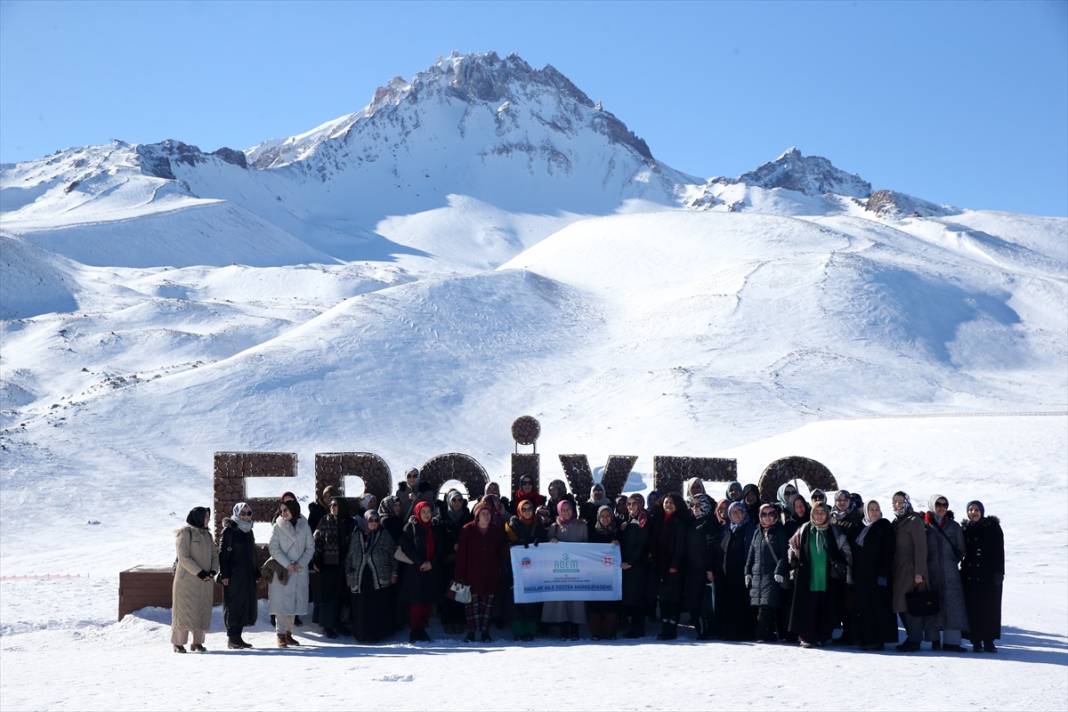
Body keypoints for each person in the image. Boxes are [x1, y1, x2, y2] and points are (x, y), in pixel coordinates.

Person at [787, 503, 849, 648]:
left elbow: (845, 548)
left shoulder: (833, 530)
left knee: (825, 605)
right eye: (816, 512)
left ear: (827, 514)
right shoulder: (805, 528)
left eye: (822, 512)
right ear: (812, 514)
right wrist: (794, 559)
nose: (819, 515)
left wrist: (843, 565)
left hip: (828, 576)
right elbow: (792, 545)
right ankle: (807, 637)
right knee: (808, 606)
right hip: (808, 576)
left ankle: (823, 635)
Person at [455, 501, 507, 642]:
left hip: (490, 574)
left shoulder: (495, 531)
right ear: (477, 515)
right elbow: (461, 555)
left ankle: (485, 632)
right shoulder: (467, 530)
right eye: (483, 513)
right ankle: (471, 632)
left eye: (488, 513)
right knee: (471, 605)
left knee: (486, 606)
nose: (486, 516)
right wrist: (460, 575)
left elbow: (501, 552)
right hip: (470, 574)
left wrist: (499, 569)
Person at [923, 494, 967, 652]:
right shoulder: (924, 525)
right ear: (931, 505)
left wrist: (950, 562)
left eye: (944, 504)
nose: (941, 507)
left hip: (950, 573)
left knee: (953, 606)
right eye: (938, 504)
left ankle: (952, 642)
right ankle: (933, 640)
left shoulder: (954, 526)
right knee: (932, 604)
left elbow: (961, 549)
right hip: (931, 571)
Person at [171, 506, 219, 653]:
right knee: (184, 612)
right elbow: (183, 557)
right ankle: (178, 644)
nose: (208, 520)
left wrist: (212, 571)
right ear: (197, 518)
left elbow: (215, 555)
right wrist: (200, 573)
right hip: (187, 582)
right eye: (205, 517)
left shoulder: (207, 535)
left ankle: (197, 643)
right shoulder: (185, 533)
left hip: (204, 581)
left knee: (201, 611)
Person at [346, 509, 398, 643]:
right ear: (365, 521)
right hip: (360, 577)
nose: (374, 523)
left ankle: (377, 635)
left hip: (379, 577)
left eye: (376, 520)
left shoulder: (384, 534)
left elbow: (393, 555)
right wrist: (349, 574)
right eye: (370, 520)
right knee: (361, 606)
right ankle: (361, 634)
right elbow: (350, 556)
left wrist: (394, 572)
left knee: (377, 606)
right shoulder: (357, 534)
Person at [268, 499, 314, 647]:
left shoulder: (304, 525)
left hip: (299, 569)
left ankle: (289, 634)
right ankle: (280, 634)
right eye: (281, 510)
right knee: (282, 604)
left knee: (293, 603)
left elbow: (310, 548)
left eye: (286, 510)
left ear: (293, 509)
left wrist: (300, 564)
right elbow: (273, 548)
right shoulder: (278, 526)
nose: (283, 513)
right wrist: (288, 564)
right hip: (283, 570)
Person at [853, 500, 897, 650]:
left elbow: (888, 551)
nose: (874, 512)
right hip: (862, 576)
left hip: (878, 575)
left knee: (878, 608)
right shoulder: (860, 527)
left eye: (877, 509)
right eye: (871, 509)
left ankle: (878, 640)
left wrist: (883, 574)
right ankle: (865, 638)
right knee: (864, 607)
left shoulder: (884, 526)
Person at [961, 500, 1004, 653]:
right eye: (971, 510)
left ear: (982, 511)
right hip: (970, 576)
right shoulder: (965, 528)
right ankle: (976, 641)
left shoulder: (992, 527)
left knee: (989, 608)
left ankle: (989, 640)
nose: (974, 512)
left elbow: (999, 551)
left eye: (976, 509)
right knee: (973, 609)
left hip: (989, 576)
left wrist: (1000, 572)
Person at [543, 499, 588, 639]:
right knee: (560, 599)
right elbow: (547, 549)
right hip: (559, 570)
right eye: (563, 510)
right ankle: (562, 627)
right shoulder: (553, 527)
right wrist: (551, 542)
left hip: (576, 570)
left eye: (568, 509)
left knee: (576, 599)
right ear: (558, 511)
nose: (566, 512)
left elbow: (586, 546)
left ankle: (575, 628)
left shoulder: (581, 526)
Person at [746, 503, 789, 643]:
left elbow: (784, 554)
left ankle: (761, 635)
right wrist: (747, 571)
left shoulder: (779, 532)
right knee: (761, 605)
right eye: (764, 514)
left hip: (772, 576)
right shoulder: (757, 531)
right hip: (757, 574)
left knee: (767, 605)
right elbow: (751, 554)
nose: (767, 517)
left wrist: (779, 570)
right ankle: (770, 633)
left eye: (771, 514)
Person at [891, 491, 928, 652]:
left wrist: (919, 572)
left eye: (901, 502)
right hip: (898, 570)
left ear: (907, 502)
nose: (898, 505)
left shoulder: (914, 521)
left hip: (910, 570)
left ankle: (915, 639)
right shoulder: (897, 521)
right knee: (901, 604)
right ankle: (912, 637)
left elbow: (921, 548)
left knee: (909, 604)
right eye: (895, 502)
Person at [505, 498, 547, 640]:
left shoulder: (538, 525)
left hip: (534, 570)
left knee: (532, 600)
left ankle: (530, 630)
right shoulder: (512, 525)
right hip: (516, 569)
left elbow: (545, 543)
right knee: (516, 600)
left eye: (529, 509)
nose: (527, 512)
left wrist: (539, 542)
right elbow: (505, 544)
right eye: (524, 509)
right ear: (519, 511)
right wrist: (516, 544)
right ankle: (518, 631)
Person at [219, 502, 259, 649]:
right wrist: (225, 574)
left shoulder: (249, 531)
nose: (246, 516)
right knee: (233, 604)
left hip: (247, 574)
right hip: (233, 575)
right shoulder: (229, 531)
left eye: (249, 513)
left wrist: (256, 570)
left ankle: (238, 637)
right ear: (236, 513)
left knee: (243, 604)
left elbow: (252, 554)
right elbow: (223, 554)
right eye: (243, 513)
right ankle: (232, 638)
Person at [400, 500, 440, 643]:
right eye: (423, 511)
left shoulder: (434, 528)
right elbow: (406, 548)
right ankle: (415, 630)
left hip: (430, 570)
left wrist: (431, 563)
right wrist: (420, 562)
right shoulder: (410, 527)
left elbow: (440, 549)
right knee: (416, 603)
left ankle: (422, 629)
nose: (426, 514)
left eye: (429, 511)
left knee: (426, 602)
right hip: (415, 571)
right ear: (417, 512)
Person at [311, 497, 350, 638]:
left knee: (340, 595)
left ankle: (338, 623)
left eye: (336, 505)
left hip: (343, 565)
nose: (333, 507)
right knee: (328, 597)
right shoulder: (324, 521)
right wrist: (316, 559)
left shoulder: (349, 522)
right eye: (331, 505)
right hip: (327, 565)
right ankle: (327, 626)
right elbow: (317, 540)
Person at [651, 492, 688, 640]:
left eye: (671, 503)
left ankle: (672, 628)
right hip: (660, 565)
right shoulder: (658, 520)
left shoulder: (679, 521)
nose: (668, 505)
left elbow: (680, 546)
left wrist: (675, 564)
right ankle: (665, 625)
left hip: (674, 567)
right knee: (664, 598)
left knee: (673, 598)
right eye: (666, 502)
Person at [717, 501, 756, 640]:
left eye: (740, 511)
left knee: (743, 604)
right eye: (733, 512)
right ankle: (729, 632)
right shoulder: (727, 530)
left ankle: (744, 632)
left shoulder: (750, 529)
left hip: (744, 574)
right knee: (729, 604)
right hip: (728, 575)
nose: (737, 514)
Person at [683, 494, 719, 639]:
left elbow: (711, 546)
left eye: (698, 505)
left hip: (704, 569)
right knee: (693, 601)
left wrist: (709, 568)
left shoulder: (710, 522)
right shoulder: (692, 521)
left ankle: (706, 631)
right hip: (691, 569)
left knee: (704, 602)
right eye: (693, 505)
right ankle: (699, 629)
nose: (695, 508)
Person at [830, 489, 863, 645]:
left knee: (851, 601)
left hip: (852, 563)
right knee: (839, 601)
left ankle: (853, 633)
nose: (841, 502)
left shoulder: (856, 517)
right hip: (836, 565)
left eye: (844, 500)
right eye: (838, 500)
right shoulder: (831, 517)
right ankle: (845, 632)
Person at [619, 493, 652, 638]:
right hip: (628, 565)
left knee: (638, 597)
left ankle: (638, 628)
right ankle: (632, 626)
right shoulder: (630, 519)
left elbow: (642, 544)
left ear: (640, 504)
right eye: (628, 504)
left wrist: (631, 562)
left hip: (638, 565)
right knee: (630, 597)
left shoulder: (644, 519)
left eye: (634, 503)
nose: (630, 507)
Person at [440, 489, 472, 634]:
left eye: (459, 500)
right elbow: (438, 539)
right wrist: (450, 547)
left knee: (460, 590)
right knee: (447, 592)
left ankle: (459, 620)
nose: (457, 503)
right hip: (447, 561)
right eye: (454, 500)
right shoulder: (443, 516)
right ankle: (447, 620)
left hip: (462, 560)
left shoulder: (467, 516)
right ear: (449, 501)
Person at [588, 505, 621, 640]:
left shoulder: (618, 531)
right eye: (602, 516)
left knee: (610, 603)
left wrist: (618, 543)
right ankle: (596, 633)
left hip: (611, 575)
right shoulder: (592, 532)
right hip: (595, 575)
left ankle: (609, 632)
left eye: (608, 516)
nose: (605, 518)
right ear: (598, 517)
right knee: (595, 603)